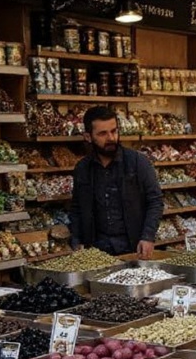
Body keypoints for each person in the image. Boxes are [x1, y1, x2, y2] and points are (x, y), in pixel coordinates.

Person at [69, 106, 163, 258]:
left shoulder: (137, 162)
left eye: (114, 131)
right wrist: (76, 240)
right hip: (96, 251)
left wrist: (148, 236)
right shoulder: (83, 168)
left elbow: (155, 201)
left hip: (133, 247)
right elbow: (77, 208)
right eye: (103, 134)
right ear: (88, 136)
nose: (111, 138)